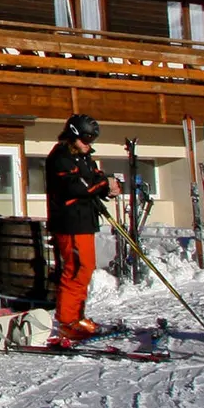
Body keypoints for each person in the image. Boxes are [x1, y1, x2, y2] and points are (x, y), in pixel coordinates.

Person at [45, 113, 120, 341]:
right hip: (70, 222)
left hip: (85, 221)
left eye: (92, 140)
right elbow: (78, 187)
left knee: (85, 269)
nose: (89, 144)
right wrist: (103, 183)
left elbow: (95, 178)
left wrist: (109, 188)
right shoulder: (60, 157)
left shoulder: (84, 157)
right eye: (86, 139)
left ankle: (77, 317)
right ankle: (67, 322)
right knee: (76, 269)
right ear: (73, 136)